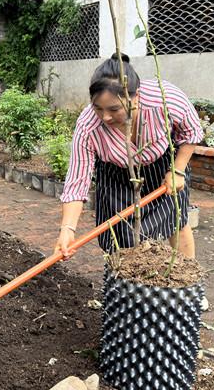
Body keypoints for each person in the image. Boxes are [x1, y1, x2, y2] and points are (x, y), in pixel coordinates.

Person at [53, 53, 203, 263]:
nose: (105, 117)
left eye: (114, 109)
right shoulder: (88, 126)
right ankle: (126, 289)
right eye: (98, 108)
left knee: (176, 222)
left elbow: (191, 131)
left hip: (164, 167)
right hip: (117, 177)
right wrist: (67, 229)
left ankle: (189, 292)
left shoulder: (163, 98)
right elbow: (77, 181)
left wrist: (177, 169)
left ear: (136, 97)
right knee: (119, 235)